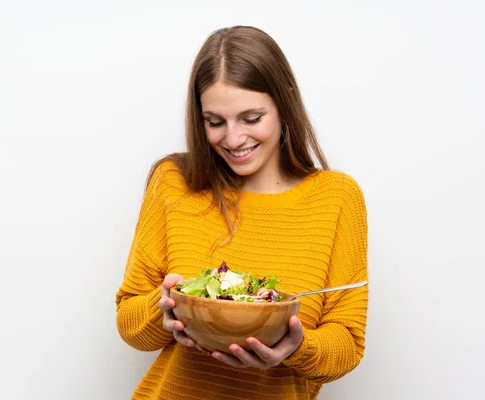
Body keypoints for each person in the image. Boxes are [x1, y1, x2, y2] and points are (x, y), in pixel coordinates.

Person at [115, 25, 368, 400]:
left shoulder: (336, 198)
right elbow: (129, 324)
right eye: (215, 122)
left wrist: (296, 347)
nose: (233, 140)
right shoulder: (175, 182)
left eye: (251, 119)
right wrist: (164, 308)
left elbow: (347, 345)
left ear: (286, 104)